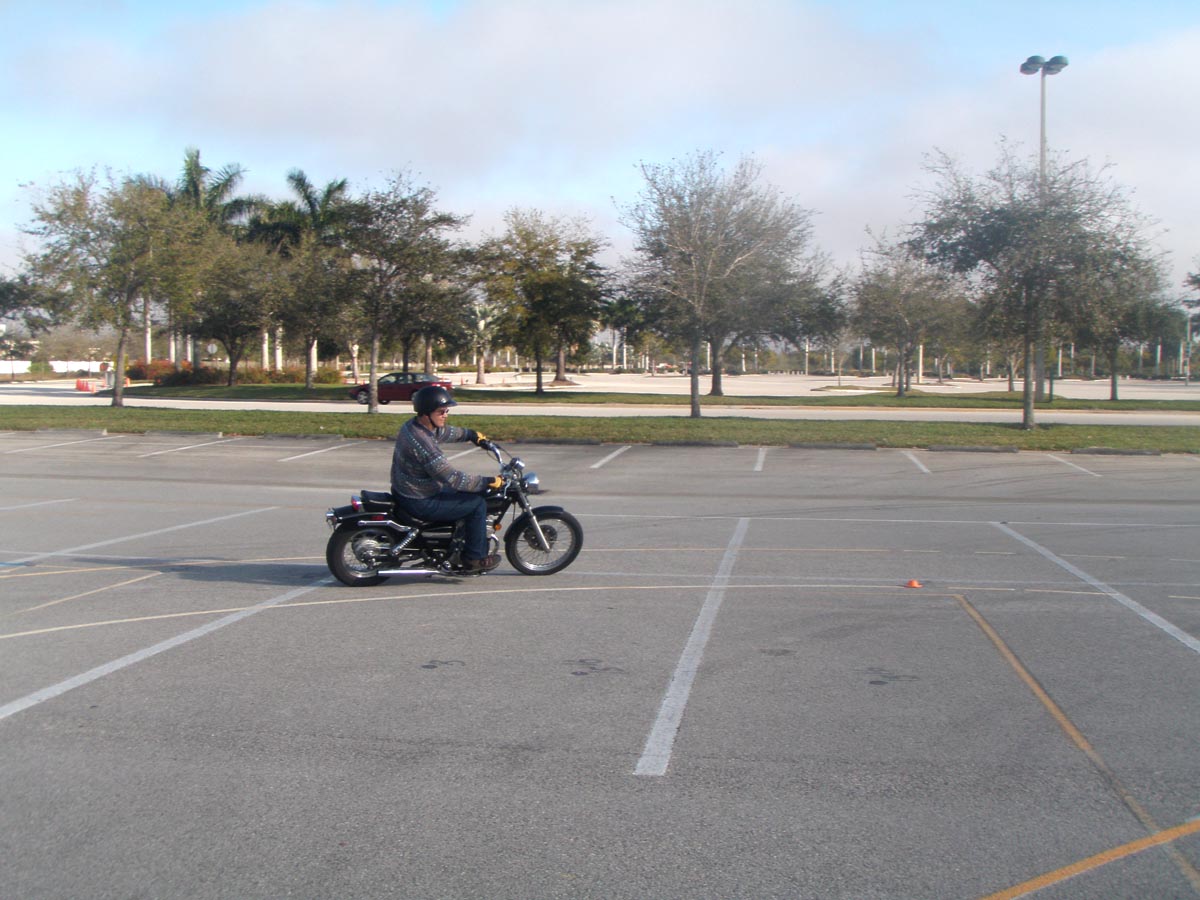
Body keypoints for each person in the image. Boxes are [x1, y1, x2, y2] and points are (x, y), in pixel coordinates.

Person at [390, 385, 502, 573]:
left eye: (446, 411)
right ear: (426, 413)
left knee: (466, 495)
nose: (445, 415)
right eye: (441, 412)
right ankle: (475, 558)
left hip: (409, 490)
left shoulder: (414, 426)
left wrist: (471, 435)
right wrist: (487, 482)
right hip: (420, 499)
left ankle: (458, 542)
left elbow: (446, 432)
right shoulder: (423, 444)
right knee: (477, 504)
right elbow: (452, 478)